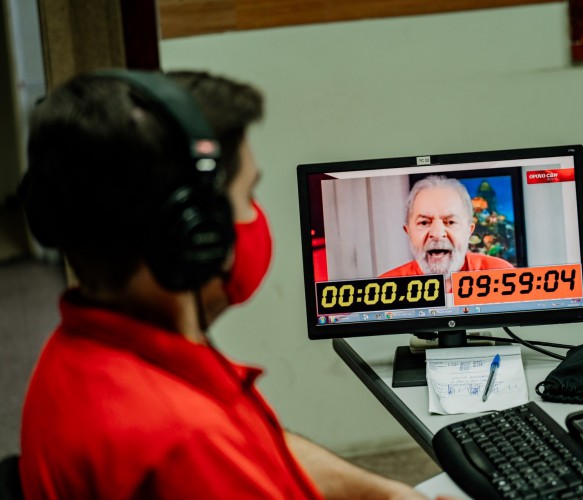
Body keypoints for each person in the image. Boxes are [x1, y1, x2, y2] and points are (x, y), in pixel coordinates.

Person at [18, 69, 431, 499]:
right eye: (247, 196)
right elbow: (213, 447)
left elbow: (258, 447)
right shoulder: (187, 442)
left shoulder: (78, 355)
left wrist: (385, 494)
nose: (257, 217)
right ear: (197, 234)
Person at [380, 175, 513, 290]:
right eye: (424, 222)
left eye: (450, 222)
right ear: (408, 232)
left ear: (469, 231)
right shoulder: (386, 288)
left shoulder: (502, 275)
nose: (437, 234)